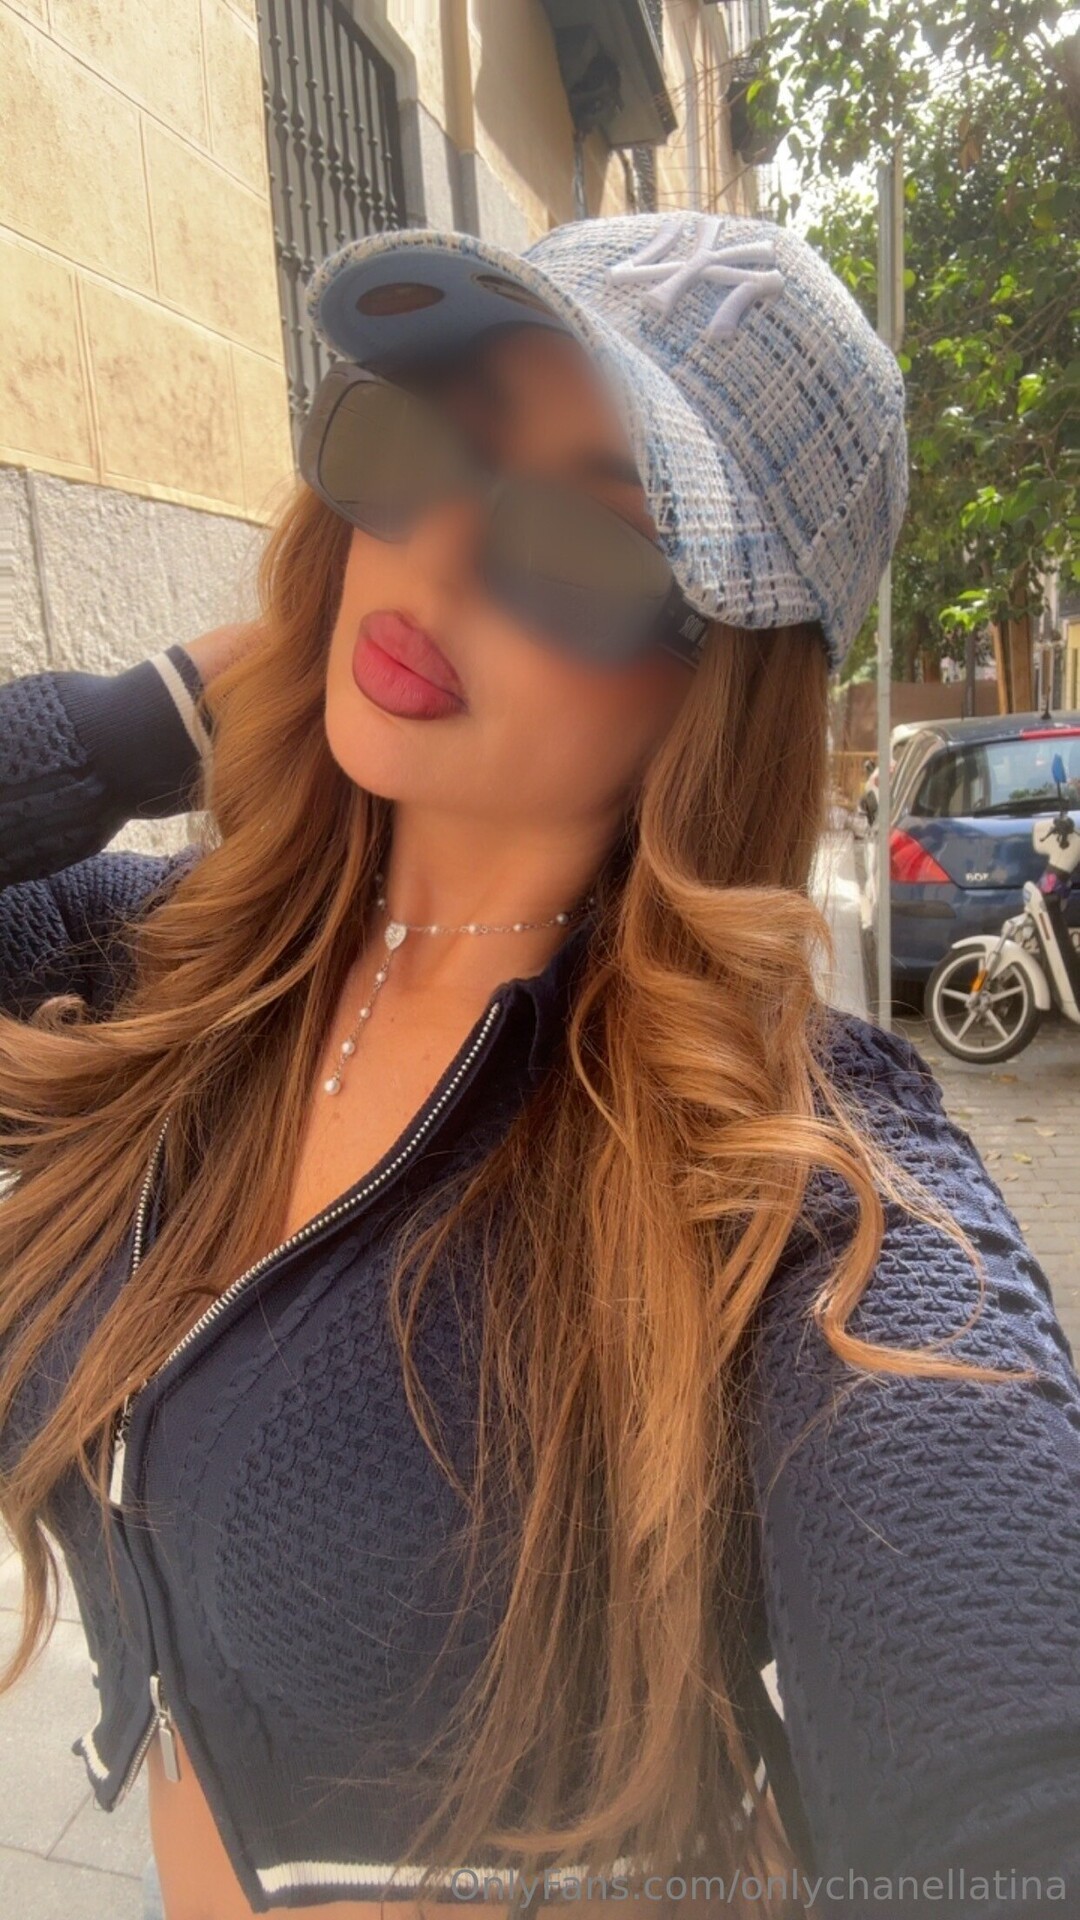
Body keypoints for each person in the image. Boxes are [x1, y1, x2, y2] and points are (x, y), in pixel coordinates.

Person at [0, 211, 1078, 1920]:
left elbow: (1006, 1773)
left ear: (717, 688)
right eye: (421, 443)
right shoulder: (181, 965)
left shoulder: (776, 1164)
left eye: (580, 542)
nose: (433, 554)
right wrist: (165, 712)